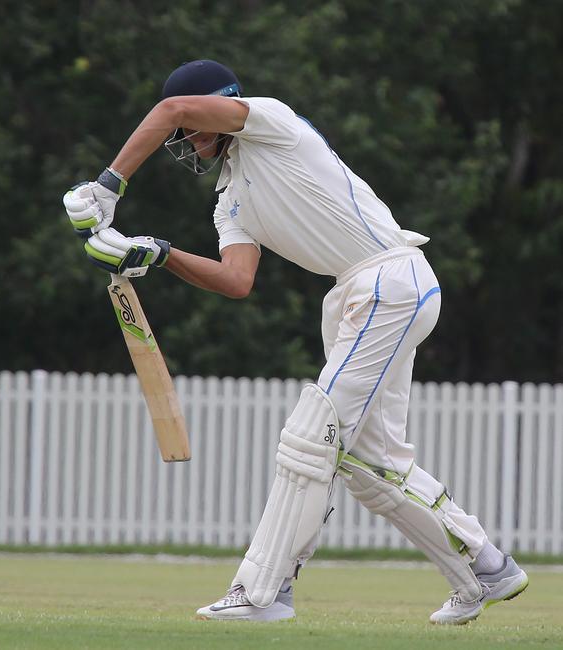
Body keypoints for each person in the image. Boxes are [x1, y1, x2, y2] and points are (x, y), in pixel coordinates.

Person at [63, 59, 528, 624]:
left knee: (312, 437)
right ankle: (484, 568)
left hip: (390, 281)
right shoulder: (230, 198)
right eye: (182, 137)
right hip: (360, 296)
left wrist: (108, 185)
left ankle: (263, 591)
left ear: (221, 106)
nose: (183, 139)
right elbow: (236, 280)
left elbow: (171, 109)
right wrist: (157, 253)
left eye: (190, 131)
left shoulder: (270, 121)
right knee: (367, 463)